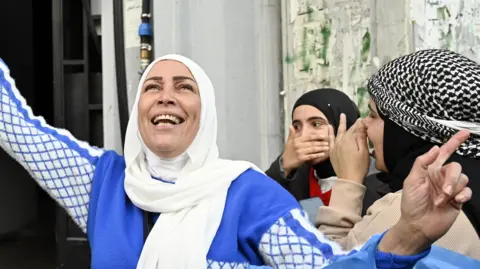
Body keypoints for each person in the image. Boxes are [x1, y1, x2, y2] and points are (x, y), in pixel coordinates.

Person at [0, 54, 473, 268]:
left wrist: (409, 233)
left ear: (206, 112)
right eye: (152, 85)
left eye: (184, 87)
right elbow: (16, 127)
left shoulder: (247, 192)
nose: (166, 97)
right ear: (138, 109)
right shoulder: (103, 184)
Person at [316, 49, 480, 259]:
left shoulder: (419, 210)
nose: (363, 124)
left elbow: (327, 262)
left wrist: (348, 181)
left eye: (374, 115)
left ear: (407, 129)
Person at [265, 89, 360, 205]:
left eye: (316, 124)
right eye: (297, 126)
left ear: (344, 126)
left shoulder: (374, 181)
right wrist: (283, 167)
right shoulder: (296, 175)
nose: (304, 135)